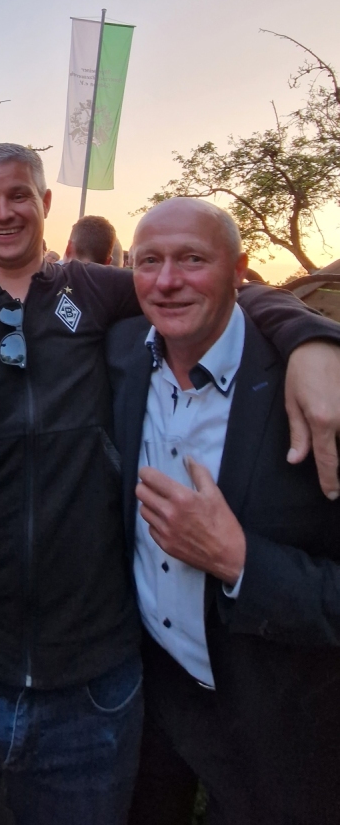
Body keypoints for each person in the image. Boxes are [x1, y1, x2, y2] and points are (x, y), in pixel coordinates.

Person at [0, 142, 340, 825]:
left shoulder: (96, 293)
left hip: (89, 687)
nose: (2, 212)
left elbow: (213, 293)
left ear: (44, 202)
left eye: (18, 195)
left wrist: (311, 340)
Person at [106, 199, 340, 825]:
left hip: (278, 720)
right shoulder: (121, 351)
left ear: (239, 270)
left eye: (192, 259)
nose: (166, 280)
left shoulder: (317, 395)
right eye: (149, 261)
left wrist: (241, 563)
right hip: (151, 697)